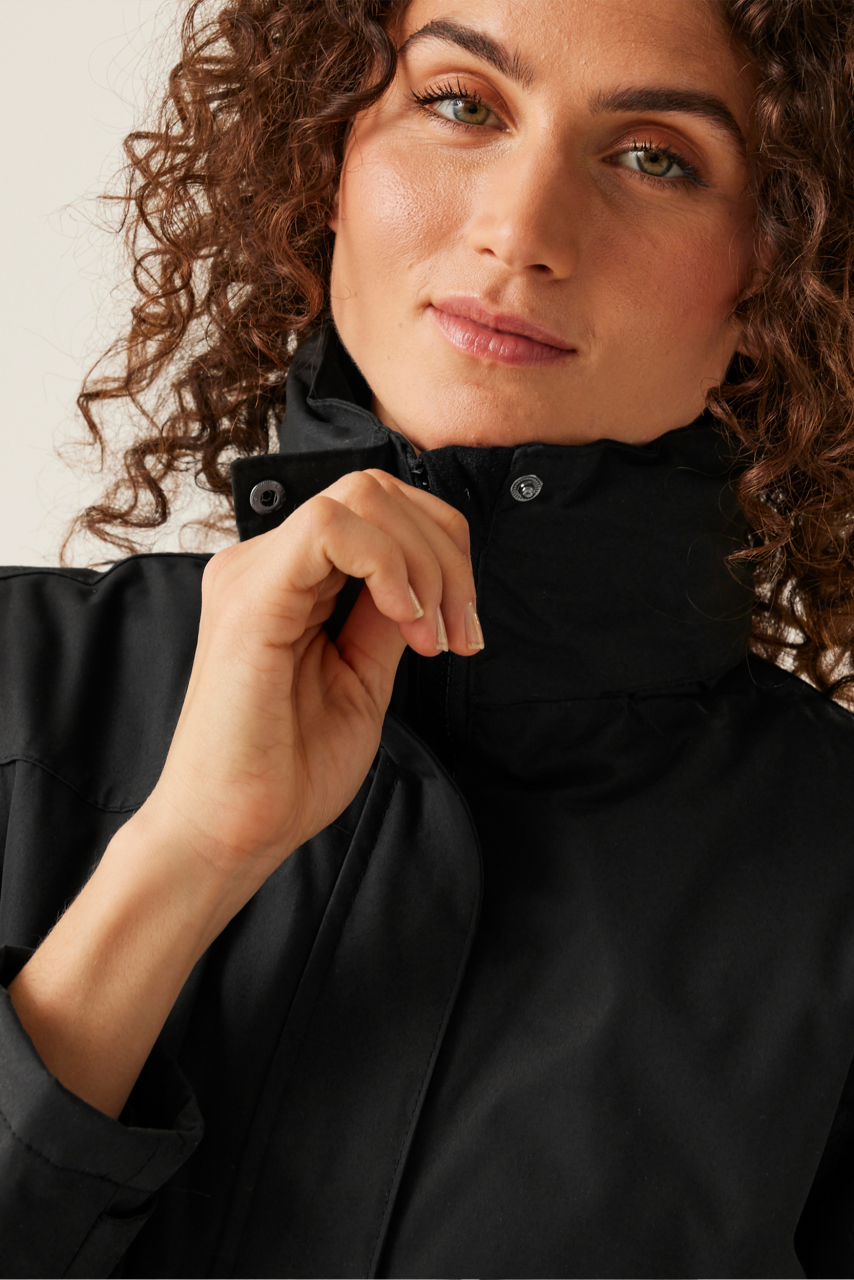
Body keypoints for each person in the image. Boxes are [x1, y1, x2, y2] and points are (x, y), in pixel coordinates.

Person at [1, 0, 853, 1274]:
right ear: (323, 159)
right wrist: (181, 857)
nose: (520, 229)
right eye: (459, 103)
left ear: (779, 279)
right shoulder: (18, 684)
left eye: (654, 156)